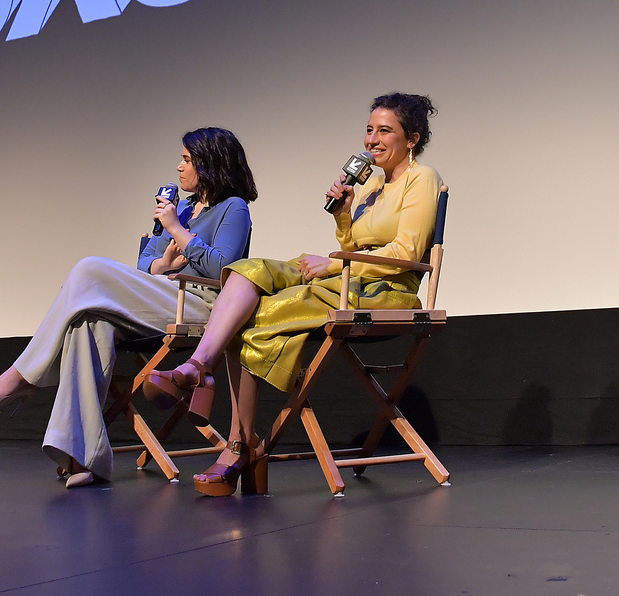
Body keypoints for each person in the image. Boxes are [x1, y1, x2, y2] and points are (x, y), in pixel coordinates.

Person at [145, 94, 440, 496]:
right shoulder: (370, 182)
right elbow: (353, 242)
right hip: (345, 279)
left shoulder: (421, 178)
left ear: (412, 139)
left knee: (252, 318)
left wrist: (334, 263)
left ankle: (238, 443)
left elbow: (405, 255)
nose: (372, 139)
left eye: (384, 130)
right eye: (369, 129)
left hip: (385, 290)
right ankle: (200, 366)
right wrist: (342, 214)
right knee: (247, 272)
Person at [0, 127, 257, 489]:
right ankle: (85, 459)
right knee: (88, 325)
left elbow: (225, 268)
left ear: (210, 163)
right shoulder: (181, 207)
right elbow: (144, 262)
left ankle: (21, 377)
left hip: (200, 305)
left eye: (186, 159)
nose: (179, 168)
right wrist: (163, 262)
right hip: (161, 293)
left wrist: (177, 232)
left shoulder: (234, 208)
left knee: (89, 268)